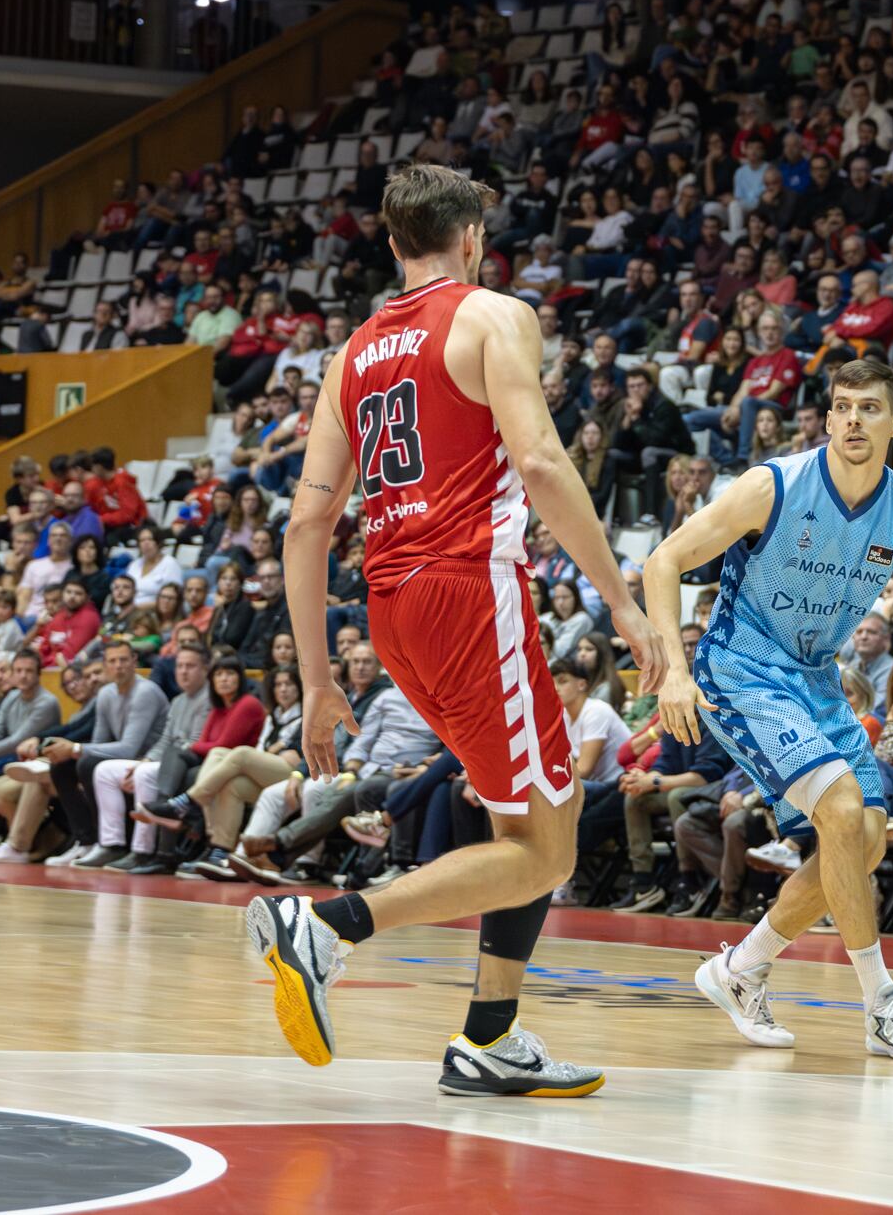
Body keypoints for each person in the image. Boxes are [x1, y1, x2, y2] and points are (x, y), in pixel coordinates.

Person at [244, 165, 668, 1096]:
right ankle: (328, 926)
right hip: (471, 591)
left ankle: (490, 1036)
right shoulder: (492, 314)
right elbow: (541, 462)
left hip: (390, 609)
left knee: (533, 817)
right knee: (549, 848)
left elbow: (306, 523)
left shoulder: (351, 354)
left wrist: (318, 680)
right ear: (472, 237)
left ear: (395, 244)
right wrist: (622, 600)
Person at [643, 358, 893, 1059]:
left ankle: (741, 967)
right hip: (740, 665)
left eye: (869, 408)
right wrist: (673, 672)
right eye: (841, 406)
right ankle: (881, 1005)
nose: (853, 419)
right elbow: (663, 561)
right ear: (828, 417)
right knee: (838, 809)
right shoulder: (772, 486)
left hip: (815, 678)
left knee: (864, 838)